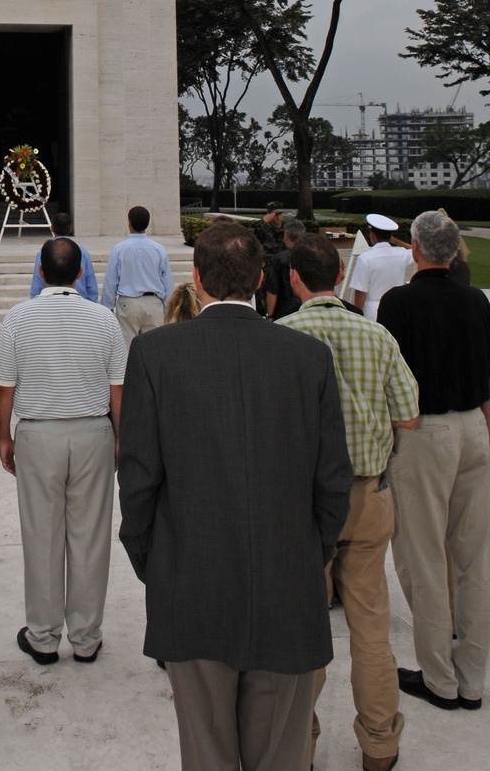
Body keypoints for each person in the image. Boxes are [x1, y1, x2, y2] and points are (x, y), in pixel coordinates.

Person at [118, 222, 352, 771]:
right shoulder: (307, 356)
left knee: (207, 754)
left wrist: (159, 563)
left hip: (194, 582)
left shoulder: (156, 354)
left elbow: (136, 478)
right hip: (284, 583)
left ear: (196, 279)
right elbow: (334, 482)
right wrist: (305, 556)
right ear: (258, 279)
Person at [278, 232, 420, 771]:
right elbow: (407, 414)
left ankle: (300, 743)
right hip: (365, 496)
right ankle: (379, 742)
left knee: (303, 628)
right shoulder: (377, 337)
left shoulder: (282, 335)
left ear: (294, 279)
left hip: (303, 505)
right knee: (371, 627)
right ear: (339, 277)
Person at [0, 235, 126, 666]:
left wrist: (3, 436)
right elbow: (117, 389)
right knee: (90, 537)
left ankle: (44, 635)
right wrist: (121, 437)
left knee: (41, 535)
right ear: (83, 273)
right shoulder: (104, 320)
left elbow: (3, 389)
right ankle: (86, 637)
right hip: (92, 434)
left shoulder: (18, 318)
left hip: (39, 434)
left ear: (40, 272)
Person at [377, 210, 490, 711]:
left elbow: (394, 383)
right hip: (474, 428)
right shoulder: (477, 301)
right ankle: (472, 678)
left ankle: (440, 679)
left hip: (425, 431)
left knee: (423, 557)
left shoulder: (398, 303)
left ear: (415, 250)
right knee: (473, 558)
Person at [101, 206, 174, 347]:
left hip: (128, 303)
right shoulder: (159, 249)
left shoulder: (119, 249)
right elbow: (167, 283)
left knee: (127, 350)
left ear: (129, 223)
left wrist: (107, 309)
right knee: (154, 349)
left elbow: (111, 282)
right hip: (154, 303)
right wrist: (168, 308)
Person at [350, 214, 414, 320]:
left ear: (373, 234)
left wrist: (358, 315)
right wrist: (396, 241)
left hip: (373, 310)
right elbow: (417, 251)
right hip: (395, 308)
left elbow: (360, 292)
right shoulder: (401, 254)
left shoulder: (365, 258)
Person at [29, 211, 98, 301]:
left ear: (51, 228)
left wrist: (34, 301)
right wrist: (92, 303)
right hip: (80, 302)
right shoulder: (82, 251)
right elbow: (90, 281)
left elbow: (37, 282)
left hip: (48, 302)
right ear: (71, 229)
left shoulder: (44, 251)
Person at [263, 219, 307, 321]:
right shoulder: (311, 256)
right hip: (307, 310)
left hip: (284, 312)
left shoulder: (279, 259)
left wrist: (270, 315)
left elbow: (272, 290)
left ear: (286, 236)